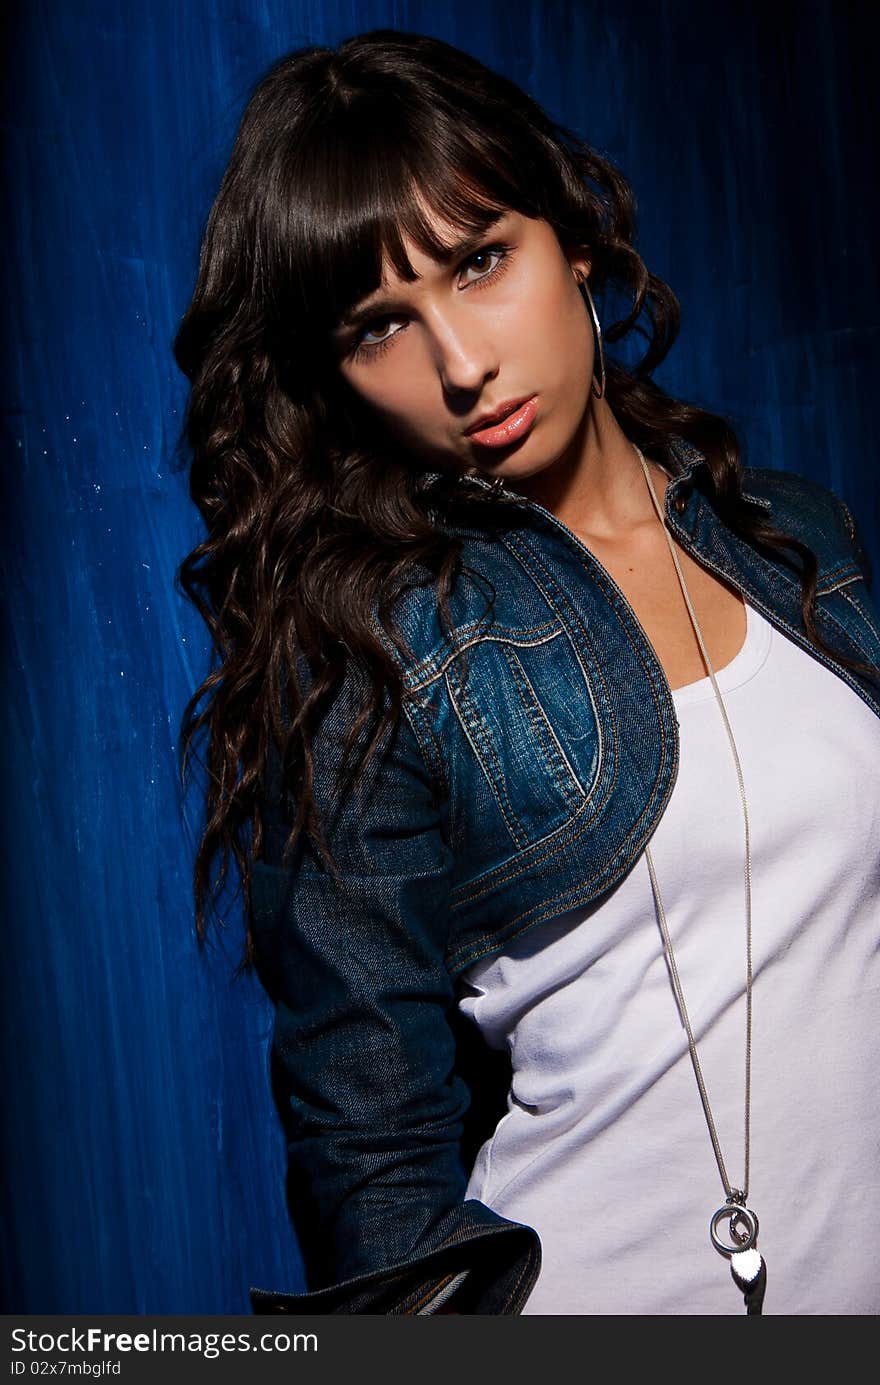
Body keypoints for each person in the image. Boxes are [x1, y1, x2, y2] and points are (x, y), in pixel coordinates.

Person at [173, 29, 880, 1315]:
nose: (457, 363)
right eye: (378, 326)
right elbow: (371, 1163)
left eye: (480, 261)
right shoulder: (370, 662)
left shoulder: (801, 540)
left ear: (577, 241)